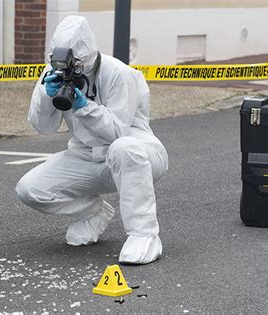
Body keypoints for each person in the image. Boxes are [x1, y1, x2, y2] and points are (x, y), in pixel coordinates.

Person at [15, 15, 168, 264]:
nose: (69, 73)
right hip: (86, 155)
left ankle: (145, 234)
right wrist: (46, 94)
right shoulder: (53, 72)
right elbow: (43, 127)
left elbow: (117, 132)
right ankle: (94, 214)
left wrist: (84, 106)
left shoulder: (120, 74)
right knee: (30, 189)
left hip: (139, 155)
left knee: (123, 148)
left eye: (74, 67)